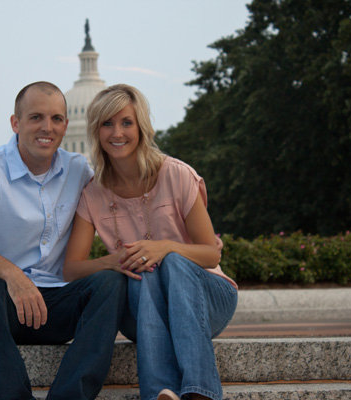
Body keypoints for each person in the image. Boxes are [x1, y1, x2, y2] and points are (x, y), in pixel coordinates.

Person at [0, 81, 128, 400]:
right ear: (15, 123)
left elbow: (127, 202)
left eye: (56, 119)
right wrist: (13, 276)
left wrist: (185, 243)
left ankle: (70, 396)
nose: (47, 127)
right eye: (36, 117)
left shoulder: (78, 169)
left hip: (54, 307)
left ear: (66, 126)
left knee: (110, 283)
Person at [63, 84, 238, 400]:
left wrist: (166, 246)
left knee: (166, 261)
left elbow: (211, 254)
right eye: (107, 124)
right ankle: (160, 394)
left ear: (141, 127)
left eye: (126, 122)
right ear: (96, 131)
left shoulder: (177, 175)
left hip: (206, 298)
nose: (118, 132)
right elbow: (71, 269)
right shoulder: (92, 194)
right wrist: (113, 260)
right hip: (144, 308)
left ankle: (200, 392)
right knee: (140, 268)